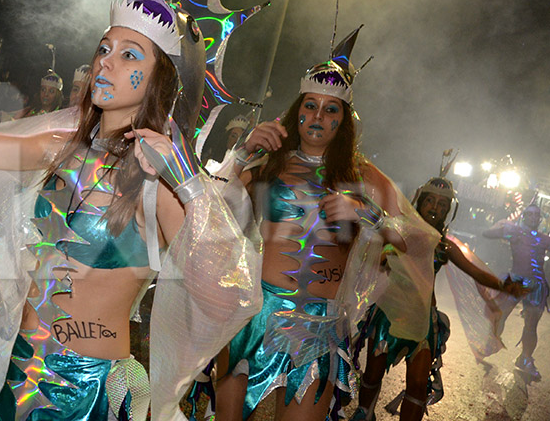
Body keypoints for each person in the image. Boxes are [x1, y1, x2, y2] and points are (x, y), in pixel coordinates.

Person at [0, 0, 262, 420]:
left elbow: (224, 295)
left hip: (85, 392)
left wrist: (187, 182)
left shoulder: (156, 181)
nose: (106, 62)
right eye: (104, 49)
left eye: (129, 55)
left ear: (158, 81)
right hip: (15, 371)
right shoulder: (58, 147)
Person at [216, 27, 439, 421]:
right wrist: (240, 152)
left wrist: (367, 213)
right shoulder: (270, 161)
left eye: (330, 109)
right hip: (256, 315)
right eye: (310, 105)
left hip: (319, 327)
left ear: (343, 120)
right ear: (296, 110)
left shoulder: (361, 173)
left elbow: (413, 239)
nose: (317, 116)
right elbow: (211, 205)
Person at [352, 169, 528, 421]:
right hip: (388, 318)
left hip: (424, 323)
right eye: (430, 200)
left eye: (443, 204)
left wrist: (503, 285)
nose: (435, 207)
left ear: (448, 212)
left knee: (417, 386)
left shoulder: (444, 245)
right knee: (371, 377)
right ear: (420, 202)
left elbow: (475, 272)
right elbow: (375, 255)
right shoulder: (399, 231)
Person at [482, 203, 550, 380]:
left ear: (540, 219)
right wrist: (500, 224)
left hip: (536, 284)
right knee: (501, 314)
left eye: (537, 215)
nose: (534, 218)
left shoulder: (544, 238)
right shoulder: (515, 232)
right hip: (517, 280)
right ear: (525, 216)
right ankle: (491, 342)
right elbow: (487, 234)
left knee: (531, 323)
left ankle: (525, 358)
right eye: (530, 214)